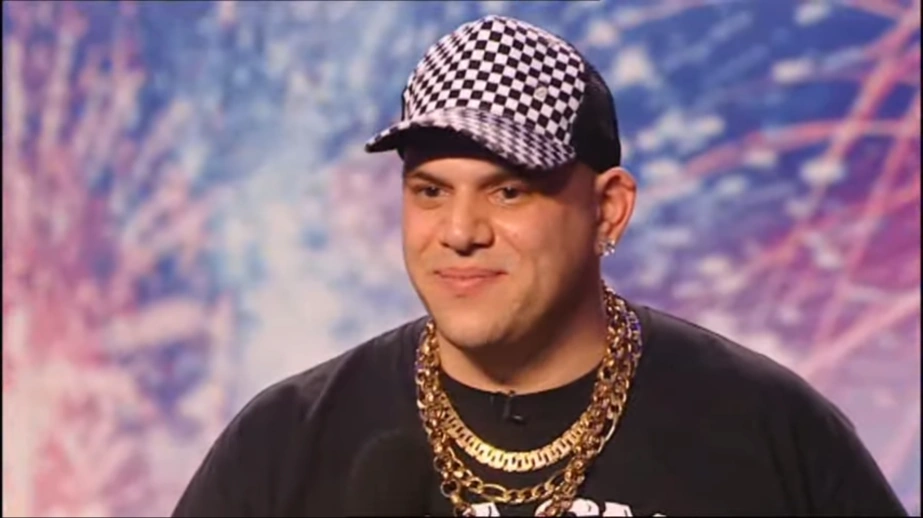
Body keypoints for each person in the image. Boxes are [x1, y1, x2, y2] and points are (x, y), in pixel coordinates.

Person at [171, 15, 908, 518]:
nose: (459, 232)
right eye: (430, 191)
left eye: (509, 191)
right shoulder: (287, 440)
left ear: (608, 209)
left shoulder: (766, 428)